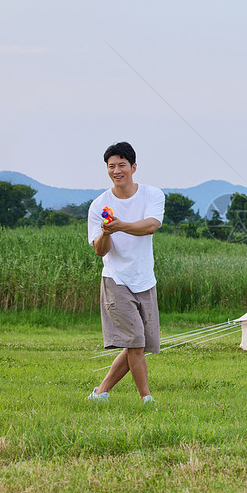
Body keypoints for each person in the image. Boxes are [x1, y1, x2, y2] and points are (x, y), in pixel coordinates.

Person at [86, 141, 165, 404]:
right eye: (111, 166)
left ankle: (100, 392)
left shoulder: (152, 195)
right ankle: (146, 398)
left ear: (133, 167)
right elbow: (100, 250)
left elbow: (151, 225)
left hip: (145, 279)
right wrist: (107, 233)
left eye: (121, 165)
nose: (116, 170)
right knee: (136, 342)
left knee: (139, 343)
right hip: (115, 279)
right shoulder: (99, 205)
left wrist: (120, 226)